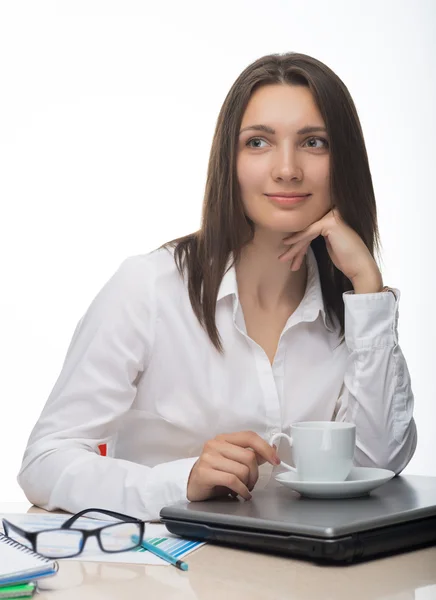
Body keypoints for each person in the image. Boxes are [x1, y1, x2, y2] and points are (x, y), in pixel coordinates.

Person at [18, 52, 417, 521]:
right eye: (259, 143)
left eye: (313, 142)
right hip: (167, 579)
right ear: (230, 159)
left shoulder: (349, 310)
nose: (287, 169)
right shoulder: (150, 288)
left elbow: (378, 464)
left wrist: (369, 288)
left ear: (343, 162)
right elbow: (44, 462)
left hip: (303, 578)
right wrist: (180, 480)